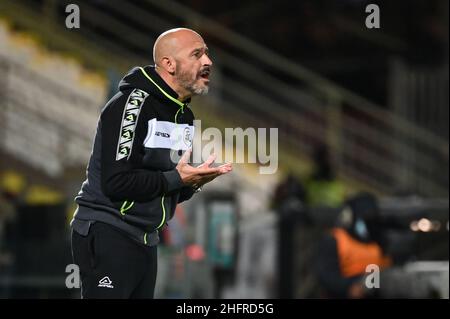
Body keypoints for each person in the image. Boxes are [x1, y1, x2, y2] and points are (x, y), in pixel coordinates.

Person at [71, 28, 232, 299]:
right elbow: (117, 182)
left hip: (146, 240)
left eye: (207, 53)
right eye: (197, 54)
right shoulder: (131, 105)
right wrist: (178, 180)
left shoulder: (184, 116)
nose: (208, 62)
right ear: (169, 64)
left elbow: (162, 188)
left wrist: (193, 182)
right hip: (110, 231)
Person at [314, 193, 392, 298]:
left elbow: (385, 271)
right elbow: (326, 275)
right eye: (364, 219)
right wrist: (350, 287)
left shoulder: (379, 242)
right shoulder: (335, 240)